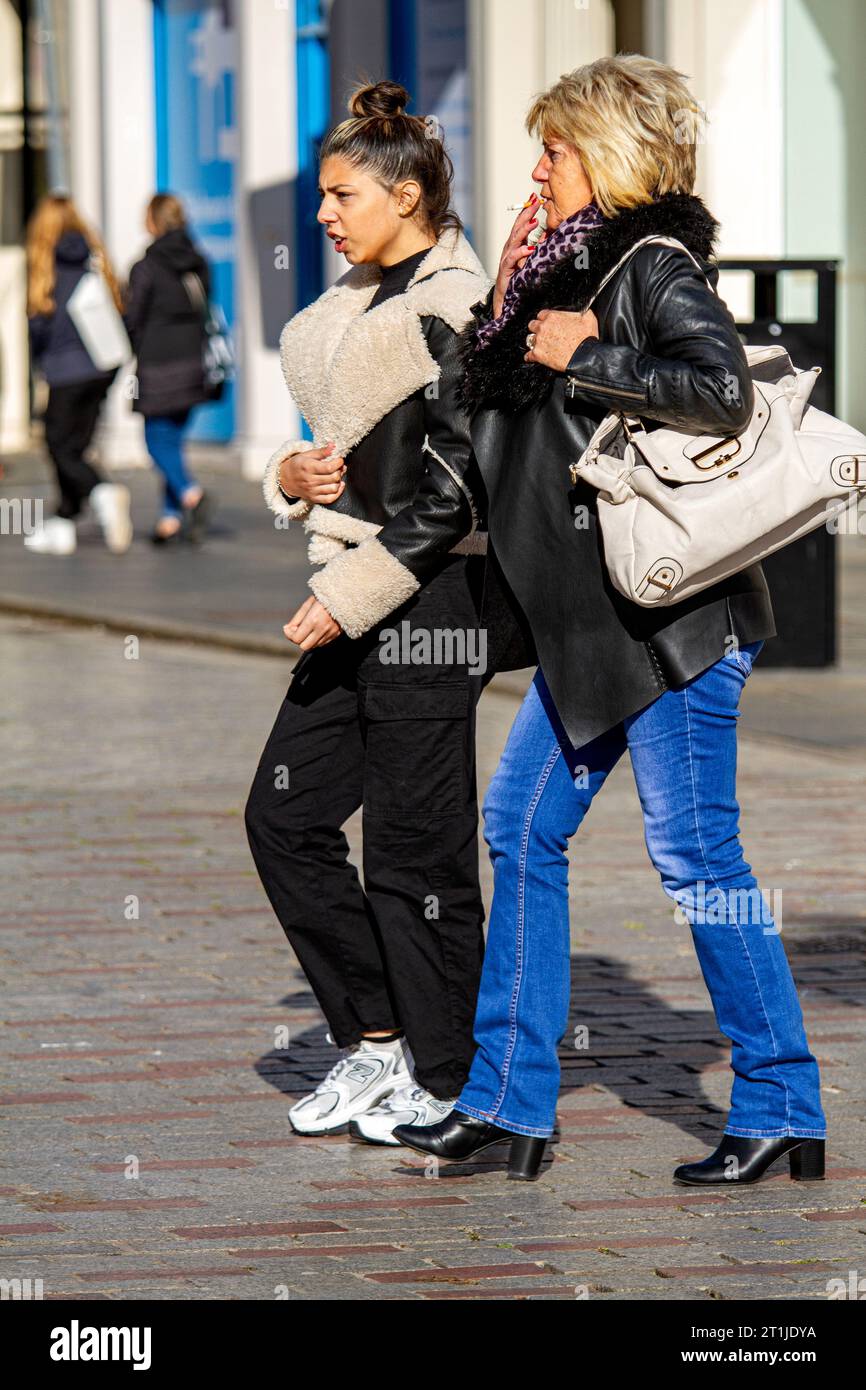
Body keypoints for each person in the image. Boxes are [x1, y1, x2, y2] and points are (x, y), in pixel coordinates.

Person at [394, 55, 827, 1185]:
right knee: (518, 830)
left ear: (610, 155)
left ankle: (779, 1099)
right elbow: (488, 449)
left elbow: (720, 387)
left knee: (694, 855)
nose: (535, 168)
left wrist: (585, 352)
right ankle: (506, 1104)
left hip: (673, 625)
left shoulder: (650, 265)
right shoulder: (544, 279)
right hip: (587, 636)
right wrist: (501, 321)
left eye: (554, 148)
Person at [244, 80, 494, 1145]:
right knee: (283, 817)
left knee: (415, 851)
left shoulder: (459, 310)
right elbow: (352, 458)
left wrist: (342, 599)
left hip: (433, 598)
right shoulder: (352, 309)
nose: (322, 216)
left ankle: (445, 1074)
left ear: (404, 195)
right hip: (357, 588)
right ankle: (377, 1038)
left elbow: (453, 494)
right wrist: (289, 474)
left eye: (341, 194)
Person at [25, 193, 132, 556]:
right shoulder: (93, 255)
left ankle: (102, 492)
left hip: (65, 369)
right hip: (102, 366)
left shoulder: (45, 262)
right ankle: (63, 523)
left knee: (58, 446)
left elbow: (39, 324)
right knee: (75, 445)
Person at [123, 194, 214, 544]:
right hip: (193, 361)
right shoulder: (198, 261)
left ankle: (192, 494)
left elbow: (134, 318)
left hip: (158, 364)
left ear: (154, 221)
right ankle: (170, 519)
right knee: (172, 439)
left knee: (154, 441)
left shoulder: (145, 266)